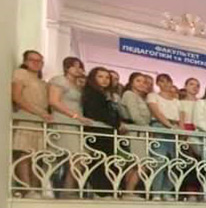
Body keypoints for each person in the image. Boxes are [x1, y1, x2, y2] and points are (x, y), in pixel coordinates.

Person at [81, 66, 130, 195]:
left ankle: (107, 191)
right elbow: (98, 113)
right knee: (99, 162)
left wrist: (118, 122)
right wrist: (116, 124)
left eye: (107, 77)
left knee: (108, 162)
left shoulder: (105, 94)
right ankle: (100, 192)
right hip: (96, 133)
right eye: (100, 77)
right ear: (93, 78)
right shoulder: (92, 93)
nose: (104, 80)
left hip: (107, 133)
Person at [11, 50, 52, 195]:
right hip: (27, 117)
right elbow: (17, 97)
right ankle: (26, 188)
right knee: (25, 153)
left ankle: (36, 189)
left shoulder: (42, 82)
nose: (36, 63)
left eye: (39, 61)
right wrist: (38, 112)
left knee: (37, 156)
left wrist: (44, 114)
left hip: (41, 121)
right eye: (32, 60)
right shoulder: (21, 74)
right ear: (25, 62)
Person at [48, 57, 87, 192]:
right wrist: (75, 116)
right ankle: (47, 186)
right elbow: (54, 101)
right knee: (61, 155)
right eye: (74, 66)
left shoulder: (78, 84)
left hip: (76, 123)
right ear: (66, 67)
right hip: (63, 120)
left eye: (79, 66)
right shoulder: (60, 80)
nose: (77, 69)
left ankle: (68, 188)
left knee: (78, 156)